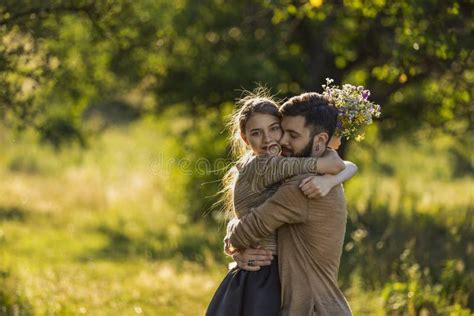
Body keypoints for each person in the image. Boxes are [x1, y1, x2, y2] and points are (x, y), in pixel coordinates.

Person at [206, 90, 356, 316]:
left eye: (290, 134)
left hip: (310, 307)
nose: (279, 141)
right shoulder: (309, 177)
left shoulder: (303, 186)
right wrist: (237, 249)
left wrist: (234, 241)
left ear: (320, 141)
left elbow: (248, 230)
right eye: (283, 131)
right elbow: (339, 162)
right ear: (245, 139)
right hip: (304, 298)